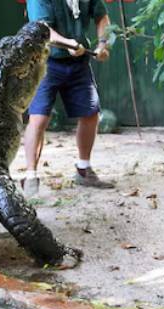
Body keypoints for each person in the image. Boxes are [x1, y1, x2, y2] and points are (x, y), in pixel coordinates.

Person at [22, 0, 114, 197]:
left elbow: (102, 17)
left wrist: (103, 44)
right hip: (45, 61)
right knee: (38, 118)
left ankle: (84, 169)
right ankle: (30, 176)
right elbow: (43, 29)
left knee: (90, 114)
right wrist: (67, 44)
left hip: (79, 62)